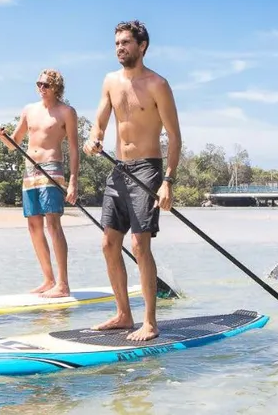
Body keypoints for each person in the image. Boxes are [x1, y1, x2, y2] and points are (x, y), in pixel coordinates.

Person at [83, 20, 181, 341]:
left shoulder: (158, 84)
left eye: (125, 42)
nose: (119, 48)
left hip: (147, 169)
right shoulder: (110, 81)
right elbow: (99, 122)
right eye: (116, 43)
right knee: (109, 243)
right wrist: (93, 139)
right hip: (118, 169)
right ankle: (123, 314)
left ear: (142, 46)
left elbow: (175, 137)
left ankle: (150, 322)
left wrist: (168, 181)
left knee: (140, 245)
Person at [0, 69, 79, 298]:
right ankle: (49, 279)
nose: (41, 88)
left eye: (46, 85)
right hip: (30, 171)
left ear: (56, 87)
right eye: (39, 84)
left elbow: (74, 148)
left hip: (52, 169)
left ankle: (63, 284)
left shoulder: (66, 112)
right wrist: (2, 136)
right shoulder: (29, 110)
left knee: (53, 224)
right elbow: (14, 143)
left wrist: (73, 182)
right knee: (33, 225)